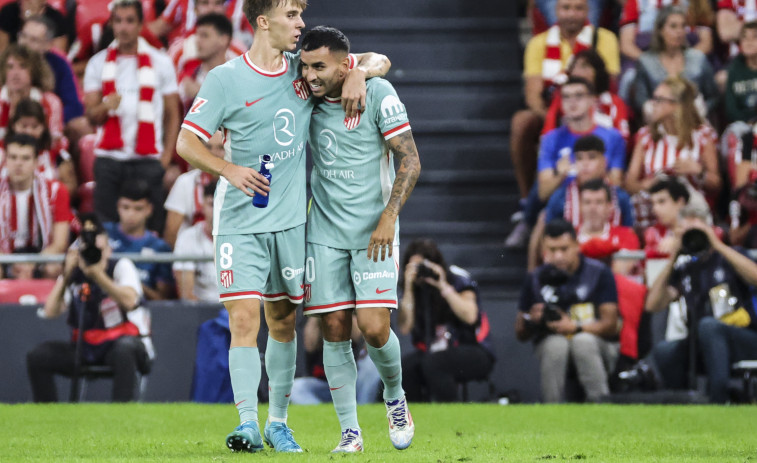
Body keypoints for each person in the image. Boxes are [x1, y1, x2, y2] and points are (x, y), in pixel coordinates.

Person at [175, 0, 390, 453]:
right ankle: (247, 423)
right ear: (263, 22)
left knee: (282, 322)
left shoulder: (305, 70)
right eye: (291, 15)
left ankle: (277, 422)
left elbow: (380, 59)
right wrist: (228, 170)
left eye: (300, 14)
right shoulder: (226, 79)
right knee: (243, 319)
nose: (300, 23)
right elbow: (185, 142)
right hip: (240, 223)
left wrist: (358, 73)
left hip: (292, 223)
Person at [299, 25, 419, 453]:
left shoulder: (379, 92)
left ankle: (394, 396)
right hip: (325, 231)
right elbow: (373, 57)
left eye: (319, 66)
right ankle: (350, 432)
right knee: (333, 326)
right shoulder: (304, 96)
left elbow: (410, 159)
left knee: (372, 327)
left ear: (343, 65)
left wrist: (390, 216)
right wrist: (358, 69)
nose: (311, 75)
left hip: (375, 229)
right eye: (306, 65)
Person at [26, 213, 152, 402]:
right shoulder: (76, 273)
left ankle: (124, 418)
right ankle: (47, 416)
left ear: (109, 250)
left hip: (124, 344)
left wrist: (98, 276)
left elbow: (130, 301)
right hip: (85, 348)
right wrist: (67, 274)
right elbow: (50, 312)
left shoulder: (121, 266)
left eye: (99, 250)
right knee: (38, 356)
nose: (94, 255)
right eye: (89, 250)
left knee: (124, 350)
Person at [83, 0, 180, 233]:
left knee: (152, 227)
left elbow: (172, 114)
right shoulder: (97, 64)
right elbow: (90, 116)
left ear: (140, 25)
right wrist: (106, 106)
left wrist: (166, 156)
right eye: (118, 21)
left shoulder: (162, 62)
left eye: (129, 21)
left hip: (147, 160)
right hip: (109, 159)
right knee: (106, 228)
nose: (123, 27)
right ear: (111, 25)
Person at [510, 0, 619, 208]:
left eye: (578, 8)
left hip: (595, 114)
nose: (572, 14)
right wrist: (558, 119)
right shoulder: (538, 43)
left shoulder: (605, 39)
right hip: (551, 115)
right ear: (555, 11)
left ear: (588, 11)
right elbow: (532, 96)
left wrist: (581, 115)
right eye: (566, 8)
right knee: (521, 121)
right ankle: (526, 203)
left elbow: (608, 87)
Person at [645, 204, 757, 403]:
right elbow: (653, 305)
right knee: (664, 352)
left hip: (742, 337)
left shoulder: (731, 257)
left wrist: (718, 244)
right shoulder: (686, 268)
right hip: (702, 343)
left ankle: (718, 400)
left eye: (697, 231)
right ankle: (682, 405)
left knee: (709, 326)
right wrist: (674, 257)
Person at [507, 77, 626, 249]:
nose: (572, 103)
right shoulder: (551, 139)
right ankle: (536, 271)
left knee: (620, 200)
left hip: (600, 195)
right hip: (564, 197)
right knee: (549, 210)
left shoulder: (612, 137)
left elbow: (616, 183)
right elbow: (542, 192)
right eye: (566, 97)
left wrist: (590, 171)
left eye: (578, 96)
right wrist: (561, 173)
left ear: (592, 100)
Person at [516, 219, 620, 403]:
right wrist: (532, 320)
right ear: (543, 251)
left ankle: (602, 407)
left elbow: (611, 325)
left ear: (577, 246)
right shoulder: (535, 278)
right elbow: (520, 332)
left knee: (582, 342)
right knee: (556, 344)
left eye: (564, 249)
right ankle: (552, 413)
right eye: (552, 250)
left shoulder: (598, 273)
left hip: (598, 346)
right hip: (553, 343)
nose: (558, 256)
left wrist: (575, 327)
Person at [398, 238, 494, 403]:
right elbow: (405, 327)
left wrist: (442, 285)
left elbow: (470, 316)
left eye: (423, 267)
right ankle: (414, 419)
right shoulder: (412, 288)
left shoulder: (457, 279)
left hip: (471, 348)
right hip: (431, 350)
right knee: (405, 369)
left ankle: (450, 416)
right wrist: (408, 287)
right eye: (415, 267)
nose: (421, 272)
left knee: (434, 363)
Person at [624, 76, 720, 230]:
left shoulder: (703, 136)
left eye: (659, 100)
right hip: (653, 208)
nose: (652, 104)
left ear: (677, 106)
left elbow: (716, 184)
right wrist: (646, 184)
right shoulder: (645, 136)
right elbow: (629, 184)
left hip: (690, 210)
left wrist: (698, 171)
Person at [626, 6, 717, 118]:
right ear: (660, 30)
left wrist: (702, 108)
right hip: (659, 121)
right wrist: (650, 109)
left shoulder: (698, 59)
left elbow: (713, 96)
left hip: (694, 119)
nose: (679, 31)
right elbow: (640, 99)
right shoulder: (646, 62)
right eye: (673, 26)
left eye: (683, 26)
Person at [17, 16, 90, 144]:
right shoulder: (8, 60)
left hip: (50, 120)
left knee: (81, 125)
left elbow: (74, 107)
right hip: (12, 119)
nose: (25, 44)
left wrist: (47, 121)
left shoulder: (59, 64)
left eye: (33, 40)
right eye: (23, 36)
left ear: (48, 45)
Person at [0, 133, 71, 257]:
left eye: (25, 158)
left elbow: (59, 244)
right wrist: (10, 263)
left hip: (42, 260)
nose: (18, 163)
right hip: (3, 260)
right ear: (6, 160)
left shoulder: (56, 190)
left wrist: (33, 263)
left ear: (36, 162)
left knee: (52, 268)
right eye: (13, 157)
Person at [103, 181, 174, 301]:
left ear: (149, 209)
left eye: (138, 209)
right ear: (118, 206)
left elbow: (162, 300)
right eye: (125, 207)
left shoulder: (160, 248)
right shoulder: (103, 234)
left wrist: (131, 282)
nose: (131, 214)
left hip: (142, 310)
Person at [542, 49, 630, 142]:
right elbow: (548, 134)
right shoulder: (561, 100)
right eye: (574, 67)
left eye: (584, 66)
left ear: (597, 72)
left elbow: (623, 138)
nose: (577, 72)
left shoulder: (614, 101)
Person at [290, 316, 381, 406]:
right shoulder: (317, 326)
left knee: (371, 364)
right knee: (295, 387)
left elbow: (368, 343)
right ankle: (324, 413)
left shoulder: (349, 323)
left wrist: (344, 314)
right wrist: (318, 309)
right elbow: (309, 345)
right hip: (326, 387)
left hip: (353, 385)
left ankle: (363, 408)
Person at [2, 98, 76, 197]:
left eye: (35, 127)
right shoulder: (1, 151)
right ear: (13, 125)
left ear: (44, 127)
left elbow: (70, 186)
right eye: (23, 126)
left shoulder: (56, 150)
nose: (29, 132)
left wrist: (41, 201)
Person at [163, 130, 224, 248]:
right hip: (193, 252)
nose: (214, 153)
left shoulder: (242, 181)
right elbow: (171, 231)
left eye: (221, 148)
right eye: (208, 147)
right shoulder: (185, 182)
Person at [0, 44, 64, 142]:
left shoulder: (50, 102)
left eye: (22, 66)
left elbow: (55, 142)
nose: (15, 73)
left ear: (34, 71)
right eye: (10, 67)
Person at [176, 13, 239, 112]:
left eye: (205, 36)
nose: (197, 41)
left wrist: (201, 93)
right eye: (197, 35)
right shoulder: (188, 77)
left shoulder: (238, 76)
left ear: (223, 40)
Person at [173, 182, 217, 302]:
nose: (218, 211)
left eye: (223, 205)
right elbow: (187, 294)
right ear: (202, 205)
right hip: (202, 312)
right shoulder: (187, 237)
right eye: (212, 205)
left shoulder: (242, 238)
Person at [644, 177, 690, 258]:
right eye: (653, 204)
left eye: (661, 201)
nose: (655, 209)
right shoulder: (653, 233)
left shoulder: (699, 228)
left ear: (680, 202)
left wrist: (681, 242)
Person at [0, 0, 70, 54]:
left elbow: (57, 56)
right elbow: (2, 52)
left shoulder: (57, 19)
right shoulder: (8, 12)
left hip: (43, 67)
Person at [724, 21, 757, 124]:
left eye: (754, 37)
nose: (748, 42)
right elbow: (731, 108)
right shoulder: (734, 69)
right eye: (744, 37)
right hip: (742, 124)